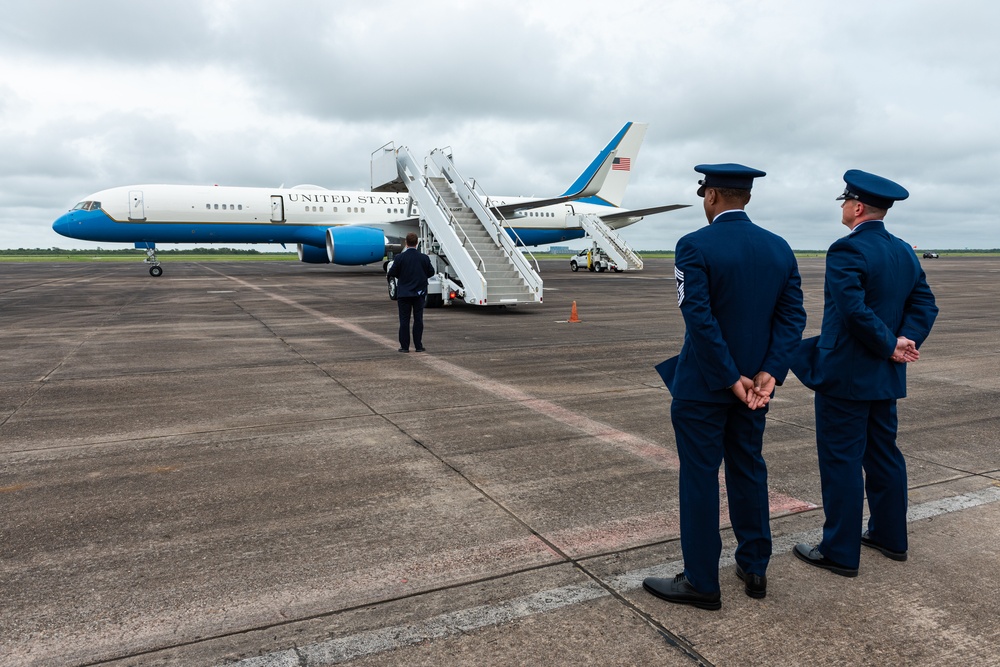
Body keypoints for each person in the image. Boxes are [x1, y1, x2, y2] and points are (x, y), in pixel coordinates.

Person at [643, 164, 806, 610]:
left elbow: (699, 318)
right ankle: (755, 567)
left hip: (706, 387)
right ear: (747, 198)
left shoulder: (694, 244)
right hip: (757, 387)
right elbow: (793, 318)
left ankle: (701, 581)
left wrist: (727, 375)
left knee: (699, 478)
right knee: (749, 469)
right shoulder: (779, 248)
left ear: (711, 196)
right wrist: (769, 371)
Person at [791, 170, 937, 577]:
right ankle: (890, 537)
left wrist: (891, 343)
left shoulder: (846, 251)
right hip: (885, 375)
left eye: (844, 201)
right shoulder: (903, 251)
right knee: (884, 455)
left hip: (846, 376)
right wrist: (904, 339)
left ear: (856, 207)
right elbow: (926, 305)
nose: (842, 207)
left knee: (841, 461)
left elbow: (853, 311)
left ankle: (839, 551)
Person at [387, 232, 434, 353]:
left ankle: (404, 347)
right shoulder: (424, 258)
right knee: (418, 320)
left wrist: (402, 276)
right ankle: (418, 346)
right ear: (417, 243)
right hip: (419, 294)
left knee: (404, 320)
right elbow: (431, 273)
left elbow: (392, 272)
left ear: (406, 243)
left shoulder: (400, 258)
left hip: (404, 293)